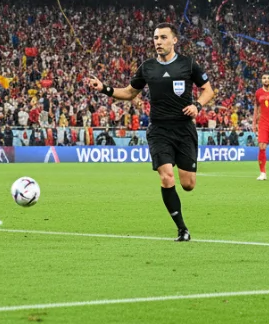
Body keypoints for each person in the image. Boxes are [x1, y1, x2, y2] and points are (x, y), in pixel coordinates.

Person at [88, 22, 213, 242]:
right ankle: (182, 229)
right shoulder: (147, 67)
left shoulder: (188, 64)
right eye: (156, 38)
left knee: (188, 184)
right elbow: (129, 92)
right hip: (159, 130)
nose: (158, 42)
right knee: (167, 177)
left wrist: (197, 106)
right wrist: (105, 88)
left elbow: (208, 90)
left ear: (174, 40)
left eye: (163, 37)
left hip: (184, 130)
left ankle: (182, 221)